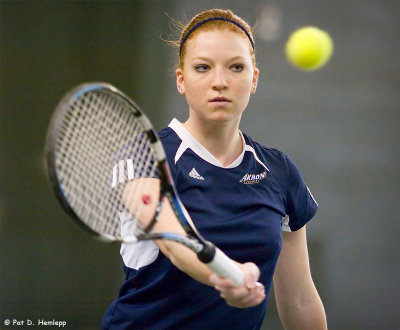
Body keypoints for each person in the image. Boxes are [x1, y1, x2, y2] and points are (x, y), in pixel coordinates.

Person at [102, 8, 327, 329]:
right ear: (181, 80)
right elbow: (175, 242)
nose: (219, 82)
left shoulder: (279, 172)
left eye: (236, 67)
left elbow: (299, 300)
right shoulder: (144, 155)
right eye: (202, 68)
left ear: (254, 79)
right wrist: (225, 277)